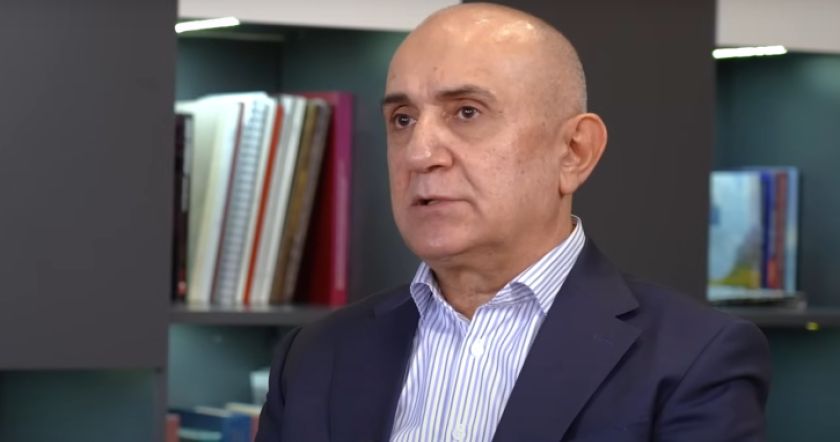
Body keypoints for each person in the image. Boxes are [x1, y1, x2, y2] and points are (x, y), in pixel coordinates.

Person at [256, 3, 771, 441]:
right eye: (402, 119)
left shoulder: (694, 359)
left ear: (574, 151)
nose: (420, 153)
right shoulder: (313, 356)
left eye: (467, 112)